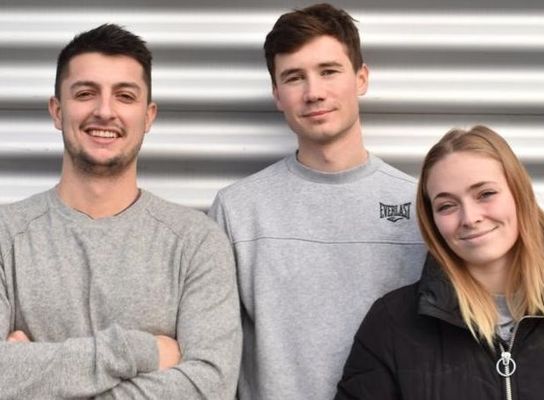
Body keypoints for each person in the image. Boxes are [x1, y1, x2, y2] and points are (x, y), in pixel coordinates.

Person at [0, 24, 241, 399]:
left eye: (125, 96)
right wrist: (140, 351)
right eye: (85, 93)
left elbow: (210, 386)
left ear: (148, 116)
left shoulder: (197, 242)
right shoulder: (5, 236)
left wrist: (31, 375)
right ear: (57, 110)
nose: (104, 111)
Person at [209, 4, 426, 400]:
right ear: (278, 94)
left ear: (361, 78)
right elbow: (214, 355)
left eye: (329, 71)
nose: (314, 93)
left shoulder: (421, 205)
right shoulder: (237, 210)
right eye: (294, 78)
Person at [336, 125, 544, 399]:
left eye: (485, 194)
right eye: (447, 205)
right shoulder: (392, 324)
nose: (470, 217)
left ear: (519, 194)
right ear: (433, 222)